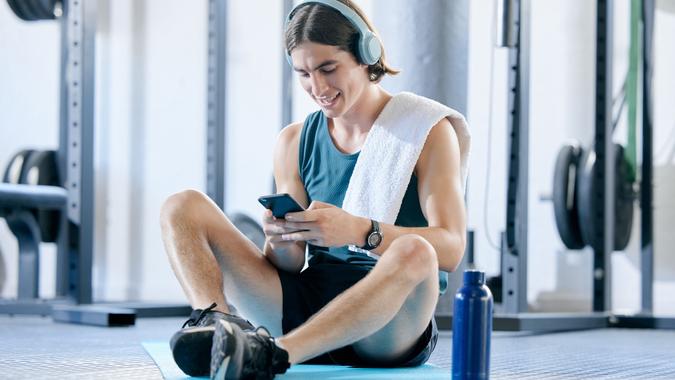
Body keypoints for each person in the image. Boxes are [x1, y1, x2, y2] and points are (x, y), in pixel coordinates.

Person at [160, 0, 469, 379]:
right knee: (182, 205)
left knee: (417, 251)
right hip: (307, 305)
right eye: (304, 73)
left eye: (328, 68)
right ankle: (216, 326)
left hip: (386, 326)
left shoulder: (428, 130)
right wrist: (282, 237)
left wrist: (358, 231)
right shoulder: (293, 141)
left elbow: (452, 249)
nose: (317, 87)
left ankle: (270, 356)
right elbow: (287, 264)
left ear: (365, 54)